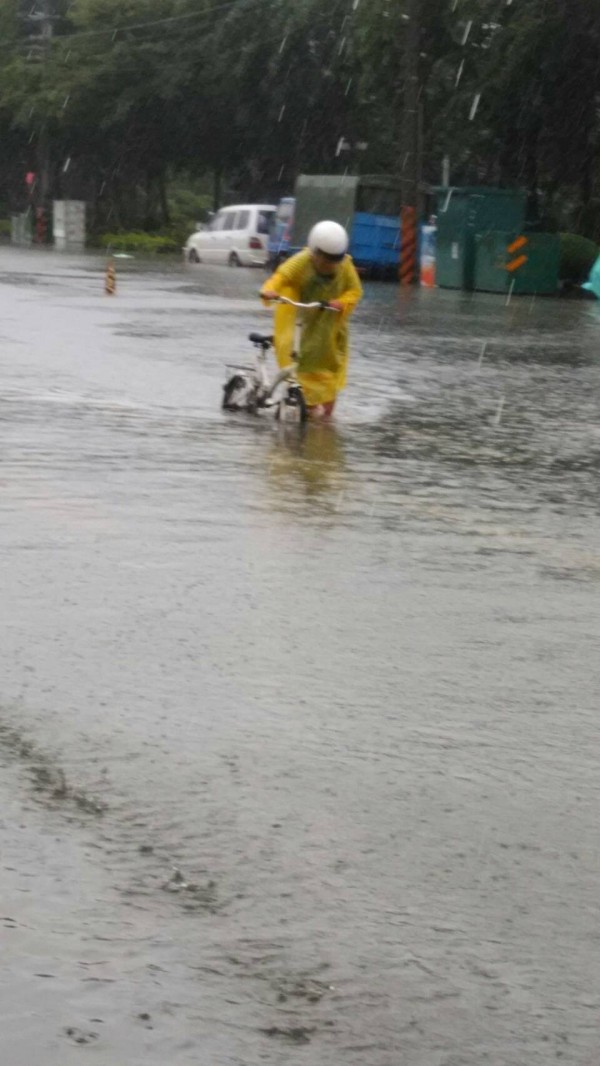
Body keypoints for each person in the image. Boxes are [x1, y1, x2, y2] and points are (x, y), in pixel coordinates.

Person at [260, 220, 363, 417]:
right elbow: (281, 277)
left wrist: (341, 302)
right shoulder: (301, 261)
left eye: (335, 261)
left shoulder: (345, 266)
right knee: (301, 366)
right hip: (302, 323)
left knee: (329, 373)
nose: (330, 266)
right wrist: (269, 291)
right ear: (314, 253)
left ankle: (324, 426)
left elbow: (355, 290)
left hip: (329, 328)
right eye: (325, 261)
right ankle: (306, 418)